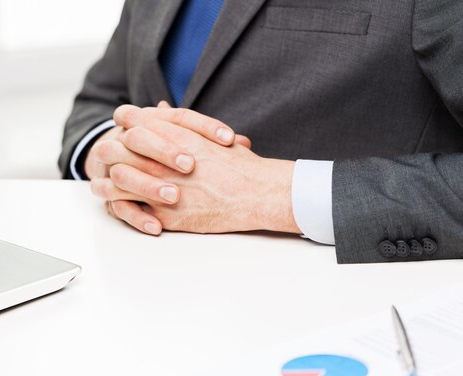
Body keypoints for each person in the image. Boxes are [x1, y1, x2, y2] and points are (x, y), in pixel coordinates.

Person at [58, 0, 463, 264]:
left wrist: (273, 194)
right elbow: (99, 98)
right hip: (132, 301)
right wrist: (116, 153)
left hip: (327, 317)